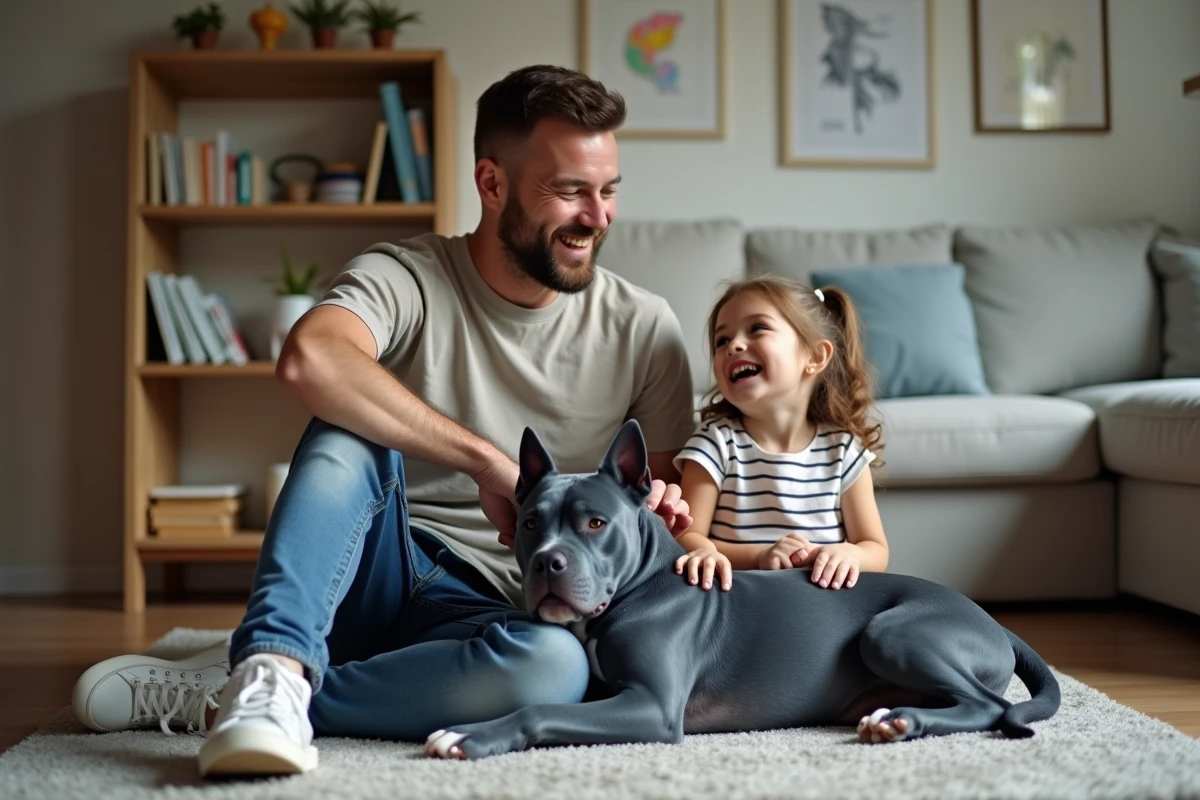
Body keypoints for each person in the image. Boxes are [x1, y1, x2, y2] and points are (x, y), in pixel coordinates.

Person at [71, 65, 698, 776]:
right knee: (345, 428)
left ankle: (245, 692)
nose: (599, 216)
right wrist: (486, 462)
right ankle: (276, 660)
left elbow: (663, 501)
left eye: (608, 190)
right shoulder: (407, 274)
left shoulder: (645, 326)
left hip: (501, 608)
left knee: (555, 673)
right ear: (491, 184)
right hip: (376, 567)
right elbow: (311, 359)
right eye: (569, 191)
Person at [671, 275, 889, 593]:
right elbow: (685, 536)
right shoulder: (714, 444)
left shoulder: (843, 450)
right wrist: (759, 556)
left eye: (757, 328)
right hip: (738, 605)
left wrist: (850, 553)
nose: (734, 345)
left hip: (819, 609)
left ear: (815, 357)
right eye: (721, 340)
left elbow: (876, 548)